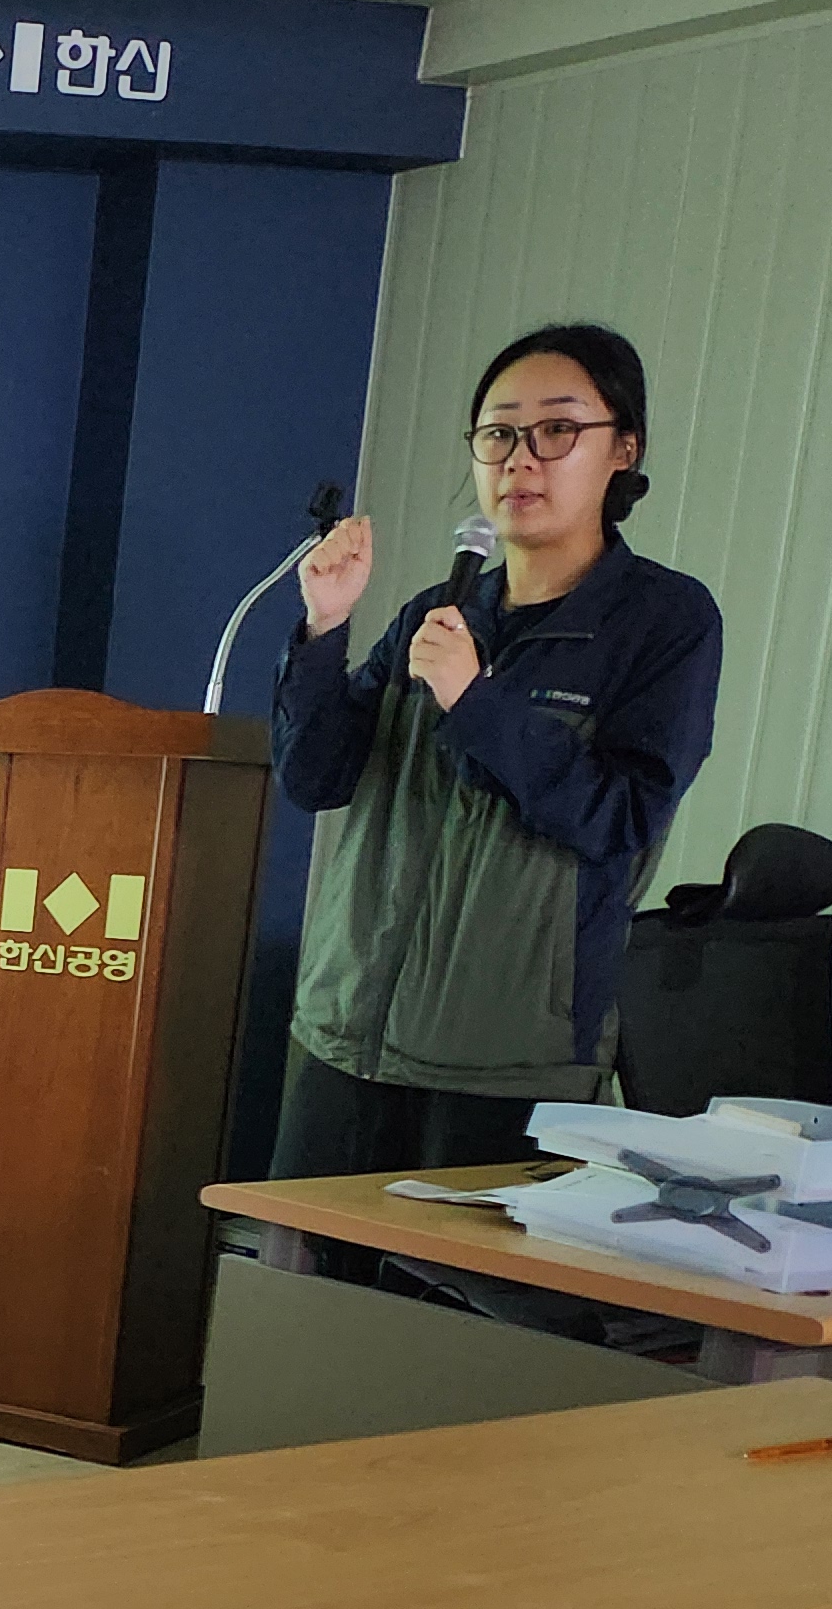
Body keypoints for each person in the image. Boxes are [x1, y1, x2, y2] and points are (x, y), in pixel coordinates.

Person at [266, 321, 726, 1179]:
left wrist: (476, 703)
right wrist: (324, 630)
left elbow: (619, 818)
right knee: (306, 1263)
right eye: (499, 434)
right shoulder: (437, 614)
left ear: (623, 448)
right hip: (348, 1033)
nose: (521, 460)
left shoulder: (663, 621)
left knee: (452, 1271)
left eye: (557, 430)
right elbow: (315, 777)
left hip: (509, 1061)